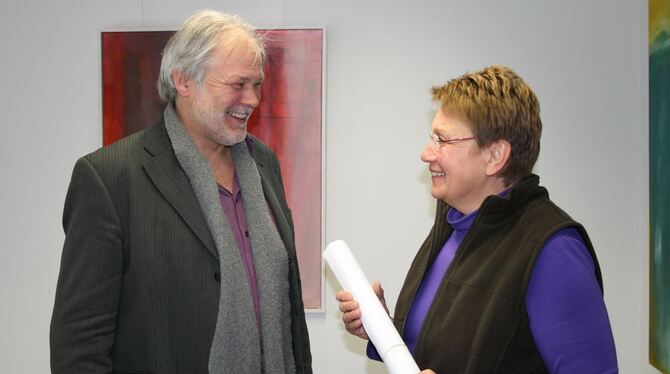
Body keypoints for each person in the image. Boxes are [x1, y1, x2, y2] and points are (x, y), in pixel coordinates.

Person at [50, 10, 312, 374]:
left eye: (257, 84)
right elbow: (80, 343)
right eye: (238, 84)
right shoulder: (109, 178)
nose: (252, 99)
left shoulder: (264, 163)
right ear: (184, 81)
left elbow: (291, 317)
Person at [337, 65, 618, 373]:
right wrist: (380, 329)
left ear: (495, 156)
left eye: (443, 140)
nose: (426, 153)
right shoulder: (452, 223)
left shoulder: (552, 250)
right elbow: (449, 349)